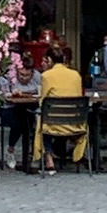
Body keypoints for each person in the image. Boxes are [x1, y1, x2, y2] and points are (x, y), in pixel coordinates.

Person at [35, 39, 88, 173]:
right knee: (50, 116)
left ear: (49, 60)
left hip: (53, 123)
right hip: (74, 123)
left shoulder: (46, 75)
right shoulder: (76, 75)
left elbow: (43, 101)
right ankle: (74, 156)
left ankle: (48, 158)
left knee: (43, 118)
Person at [0, 51, 43, 170]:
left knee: (31, 118)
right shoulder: (9, 76)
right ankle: (14, 151)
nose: (24, 78)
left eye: (27, 75)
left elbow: (41, 91)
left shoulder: (37, 76)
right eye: (21, 74)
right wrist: (9, 94)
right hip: (9, 108)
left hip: (30, 107)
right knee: (22, 121)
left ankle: (31, 154)